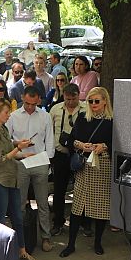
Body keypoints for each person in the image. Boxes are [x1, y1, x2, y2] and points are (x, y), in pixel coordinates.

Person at [0, 98, 38, 260]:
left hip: (11, 179)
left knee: (18, 217)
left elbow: (9, 149)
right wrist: (19, 149)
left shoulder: (3, 129)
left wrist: (20, 147)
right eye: (6, 112)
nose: (9, 115)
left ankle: (22, 252)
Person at [60, 86, 114, 257]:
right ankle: (71, 244)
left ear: (105, 101)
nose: (93, 104)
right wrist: (81, 145)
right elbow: (70, 139)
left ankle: (98, 242)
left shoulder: (112, 122)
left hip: (102, 166)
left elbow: (119, 145)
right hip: (84, 166)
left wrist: (104, 146)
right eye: (90, 101)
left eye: (96, 101)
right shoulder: (83, 118)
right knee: (78, 207)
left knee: (101, 208)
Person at [6, 86, 55, 253]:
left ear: (39, 101)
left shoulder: (45, 116)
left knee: (43, 203)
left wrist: (47, 160)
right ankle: (20, 239)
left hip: (40, 161)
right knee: (19, 203)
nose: (29, 107)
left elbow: (50, 141)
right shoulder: (13, 116)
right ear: (22, 98)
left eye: (33, 104)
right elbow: (7, 138)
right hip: (21, 162)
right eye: (26, 103)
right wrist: (19, 144)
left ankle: (46, 237)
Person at [49, 83, 84, 237]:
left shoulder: (85, 109)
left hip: (80, 154)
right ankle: (58, 222)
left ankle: (83, 222)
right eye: (67, 99)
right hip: (60, 154)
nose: (70, 102)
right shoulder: (55, 109)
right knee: (59, 190)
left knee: (82, 190)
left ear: (78, 96)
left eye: (73, 99)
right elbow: (49, 131)